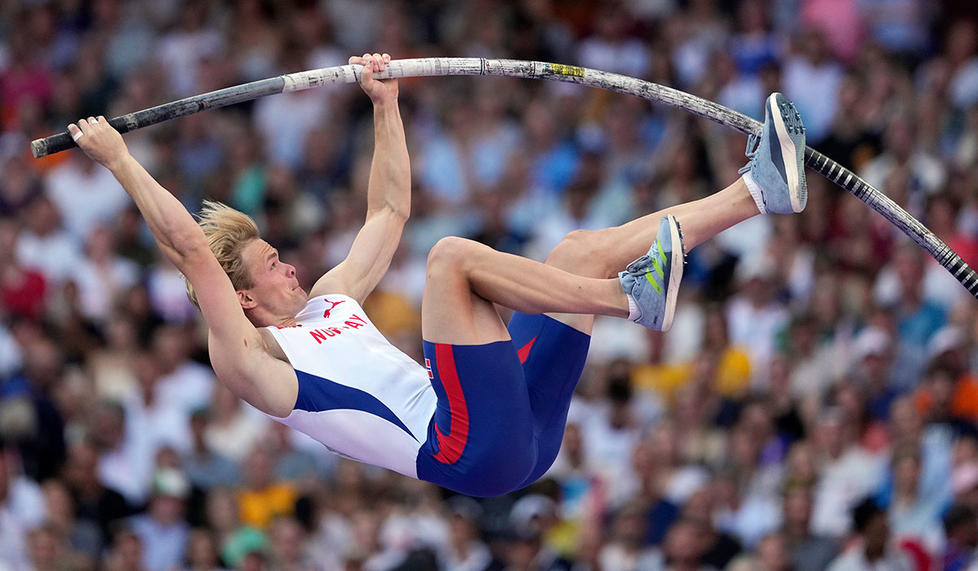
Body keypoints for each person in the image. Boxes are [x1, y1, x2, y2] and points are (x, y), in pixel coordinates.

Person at [66, 52, 807, 497]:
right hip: (466, 446)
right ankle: (625, 300)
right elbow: (193, 253)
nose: (290, 264)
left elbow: (388, 210)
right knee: (450, 257)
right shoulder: (255, 360)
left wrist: (385, 107)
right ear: (244, 298)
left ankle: (756, 193)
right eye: (271, 266)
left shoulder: (330, 301)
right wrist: (121, 161)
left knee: (578, 247)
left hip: (518, 429)